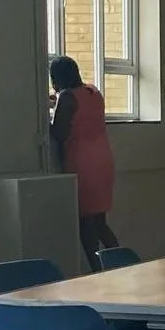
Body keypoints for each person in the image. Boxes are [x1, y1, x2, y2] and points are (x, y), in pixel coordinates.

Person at [48, 56, 118, 260]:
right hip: (103, 160)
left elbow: (59, 132)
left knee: (85, 224)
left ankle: (98, 270)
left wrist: (48, 114)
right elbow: (82, 115)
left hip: (82, 163)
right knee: (99, 222)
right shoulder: (93, 92)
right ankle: (121, 263)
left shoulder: (67, 98)